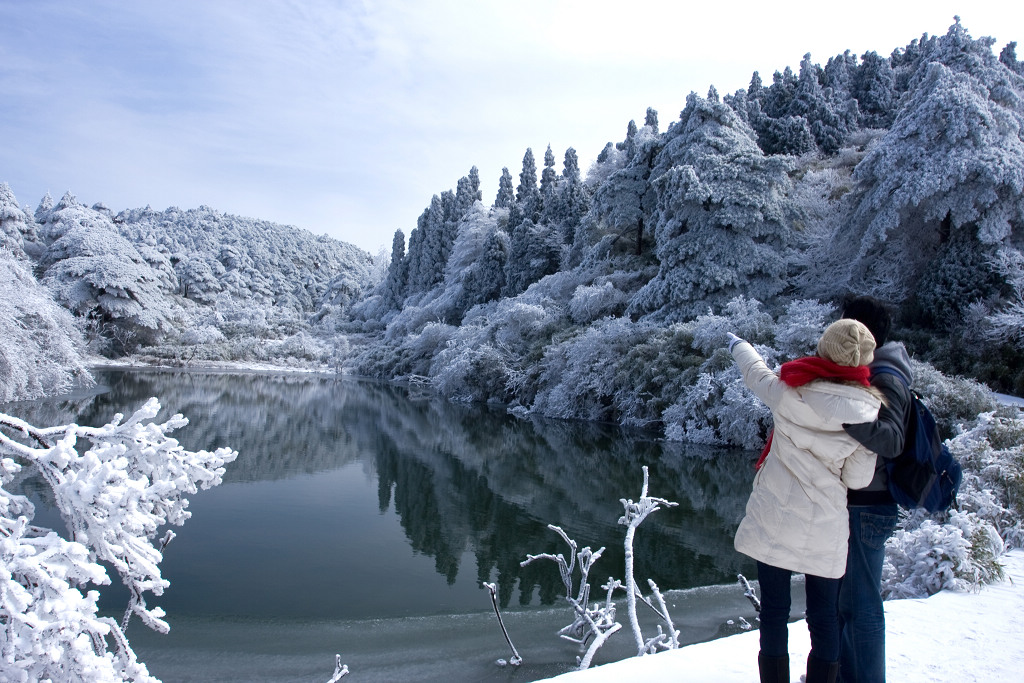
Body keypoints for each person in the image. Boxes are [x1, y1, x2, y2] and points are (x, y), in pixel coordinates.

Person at [728, 319, 884, 683]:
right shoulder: (867, 414)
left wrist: (738, 345)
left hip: (775, 518)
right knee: (824, 617)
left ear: (825, 349)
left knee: (774, 613)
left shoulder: (790, 391)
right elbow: (858, 479)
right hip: (825, 525)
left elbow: (756, 374)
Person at [837, 296, 913, 683]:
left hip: (869, 505)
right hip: (861, 503)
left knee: (862, 605)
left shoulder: (886, 374)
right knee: (848, 603)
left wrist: (843, 414)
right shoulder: (880, 369)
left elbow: (892, 439)